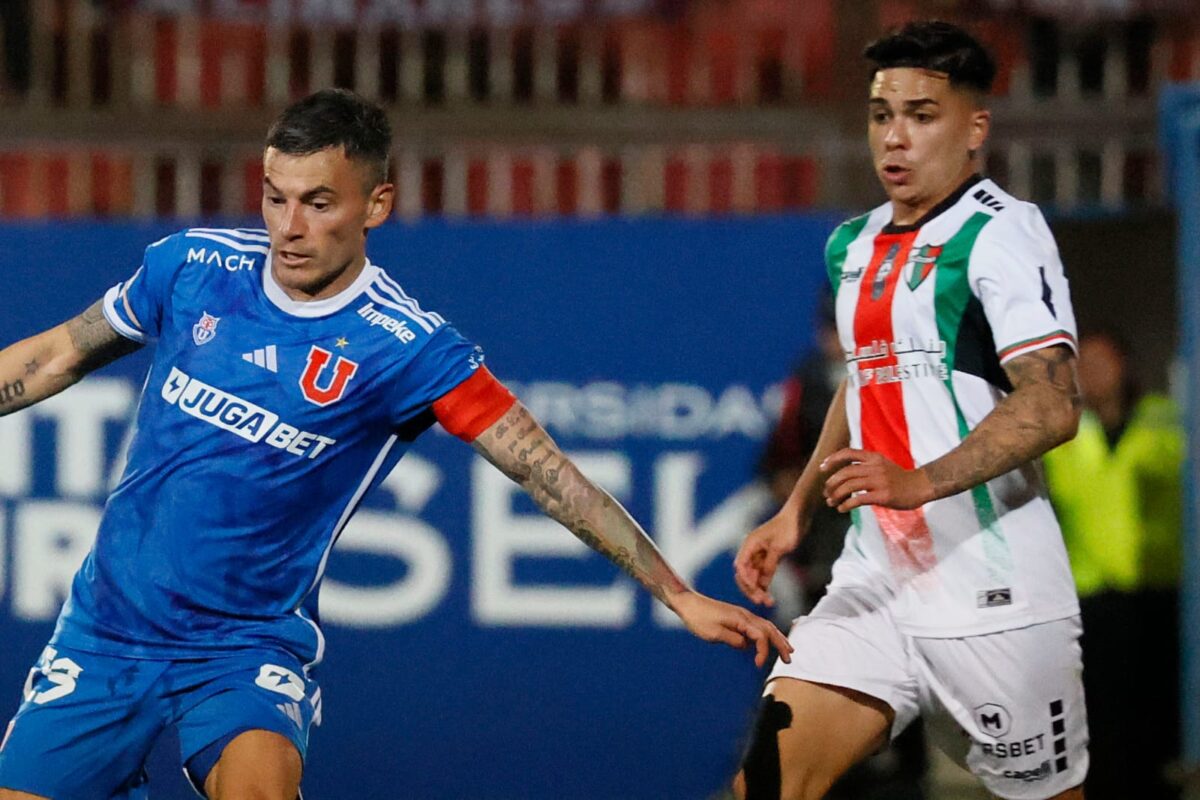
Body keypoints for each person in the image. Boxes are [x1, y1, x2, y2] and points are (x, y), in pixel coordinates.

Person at [0, 88, 791, 800]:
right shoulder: (191, 266)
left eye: (317, 203)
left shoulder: (408, 346)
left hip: (243, 649)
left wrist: (675, 592)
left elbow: (548, 474)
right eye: (275, 199)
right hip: (107, 631)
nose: (289, 227)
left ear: (376, 204)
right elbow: (57, 353)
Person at [732, 21, 1088, 800]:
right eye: (880, 114)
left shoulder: (1000, 231)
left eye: (922, 116)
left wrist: (919, 482)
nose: (894, 137)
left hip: (993, 593)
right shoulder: (851, 245)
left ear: (974, 128)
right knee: (767, 782)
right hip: (877, 583)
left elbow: (1055, 404)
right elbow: (867, 384)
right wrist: (796, 509)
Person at [1043, 328, 1184, 800]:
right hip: (1093, 595)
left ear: (1124, 366)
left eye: (1103, 363)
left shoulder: (1165, 419)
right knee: (1102, 712)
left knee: (1158, 707)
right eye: (1085, 365)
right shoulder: (1066, 431)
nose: (1094, 374)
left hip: (1157, 588)